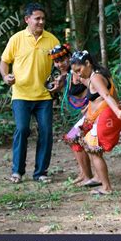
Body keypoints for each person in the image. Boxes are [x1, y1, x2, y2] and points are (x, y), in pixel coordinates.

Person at [0, 3, 60, 184]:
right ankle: (17, 172)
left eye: (43, 19)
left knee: (46, 132)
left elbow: (63, 65)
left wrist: (59, 81)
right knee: (22, 129)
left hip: (44, 97)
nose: (41, 22)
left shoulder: (52, 40)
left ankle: (41, 173)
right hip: (21, 95)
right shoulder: (16, 39)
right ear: (27, 20)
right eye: (37, 19)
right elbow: (4, 62)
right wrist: (5, 76)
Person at [67, 51, 121, 195]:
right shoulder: (94, 74)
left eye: (79, 70)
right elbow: (97, 94)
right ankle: (86, 175)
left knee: (93, 150)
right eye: (75, 72)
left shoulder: (96, 77)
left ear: (88, 63)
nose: (78, 74)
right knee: (72, 137)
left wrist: (118, 112)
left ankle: (106, 187)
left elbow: (107, 95)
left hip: (103, 117)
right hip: (93, 116)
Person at [49, 44, 100, 187]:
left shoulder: (79, 73)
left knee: (80, 139)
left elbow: (96, 87)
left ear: (69, 57)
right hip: (81, 114)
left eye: (63, 59)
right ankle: (84, 173)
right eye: (56, 61)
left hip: (92, 111)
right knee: (74, 140)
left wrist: (90, 105)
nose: (60, 64)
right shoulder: (66, 75)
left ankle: (94, 176)